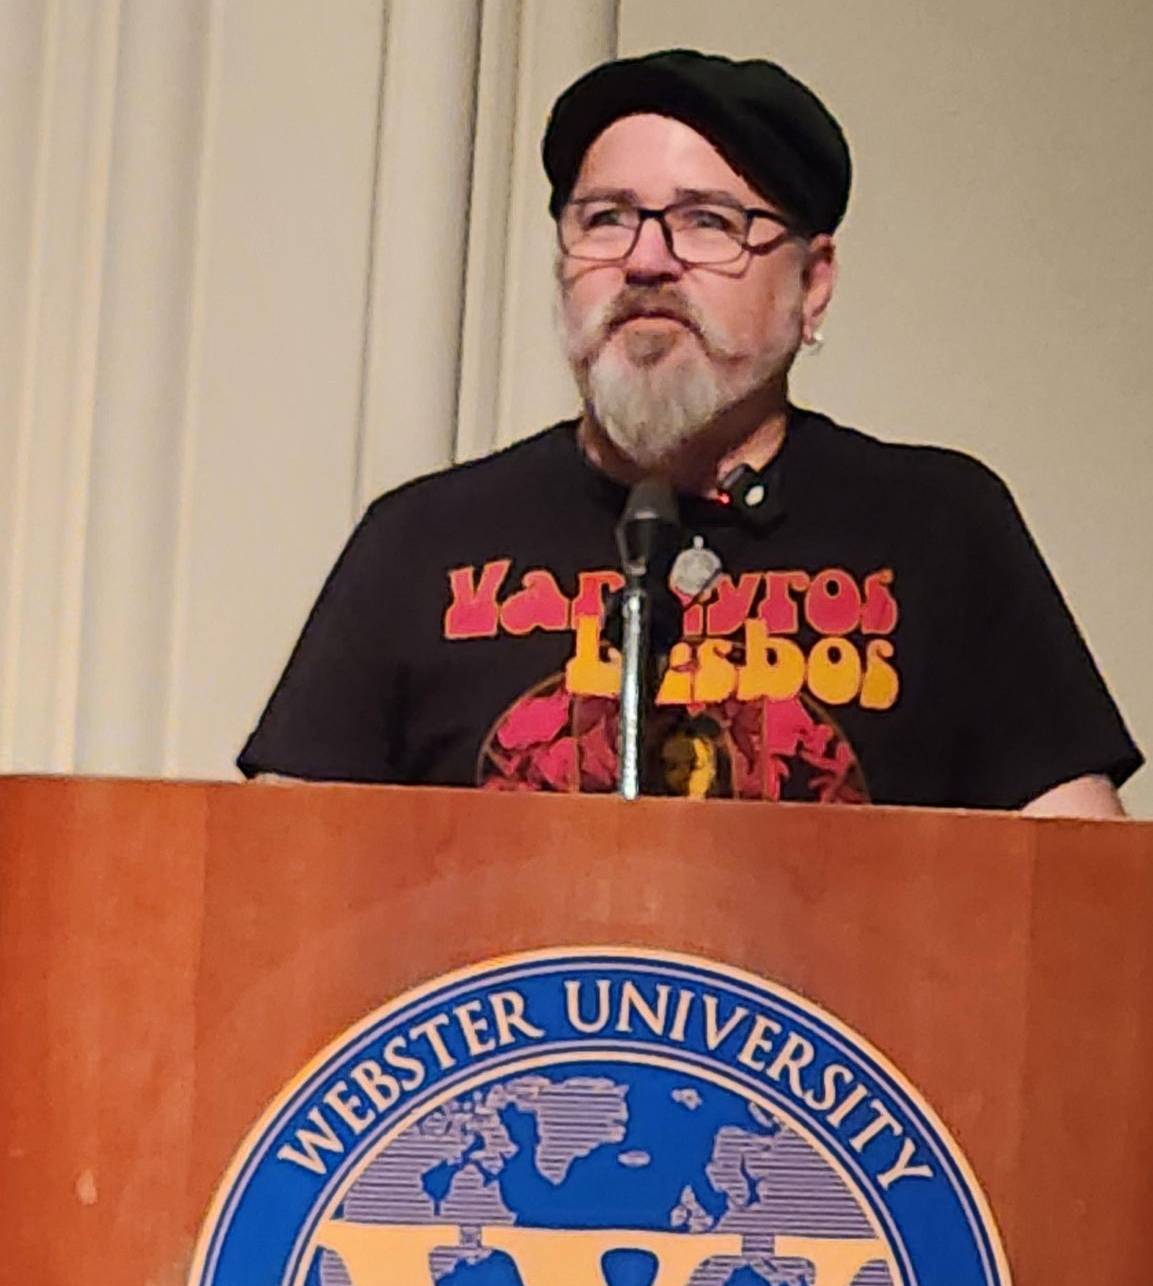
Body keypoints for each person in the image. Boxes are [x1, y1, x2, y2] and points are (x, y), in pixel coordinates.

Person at [239, 49, 1142, 813]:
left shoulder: (938, 528)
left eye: (707, 223)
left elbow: (1076, 905)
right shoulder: (424, 540)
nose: (645, 260)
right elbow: (273, 886)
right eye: (605, 219)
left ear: (813, 285)